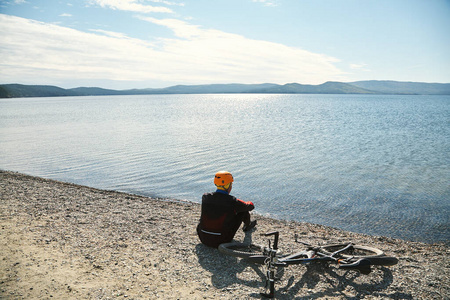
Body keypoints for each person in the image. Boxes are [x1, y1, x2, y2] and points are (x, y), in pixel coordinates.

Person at [197, 171, 257, 248]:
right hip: (222, 240)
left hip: (203, 238)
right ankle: (247, 226)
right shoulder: (232, 201)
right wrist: (247, 202)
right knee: (243, 210)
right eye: (231, 184)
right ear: (229, 185)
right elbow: (250, 207)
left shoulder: (205, 197)